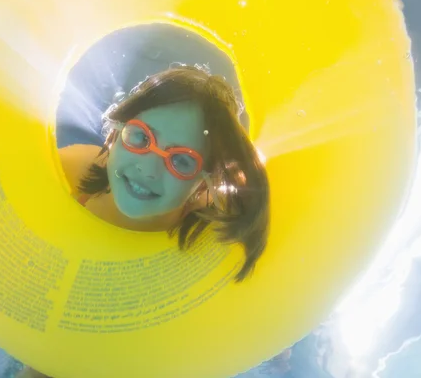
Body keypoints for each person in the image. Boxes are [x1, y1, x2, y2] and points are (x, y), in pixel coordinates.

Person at [16, 64, 270, 378]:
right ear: (115, 130)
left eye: (181, 160)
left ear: (204, 182)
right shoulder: (79, 167)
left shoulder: (209, 229)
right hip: (53, 340)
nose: (147, 169)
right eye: (140, 137)